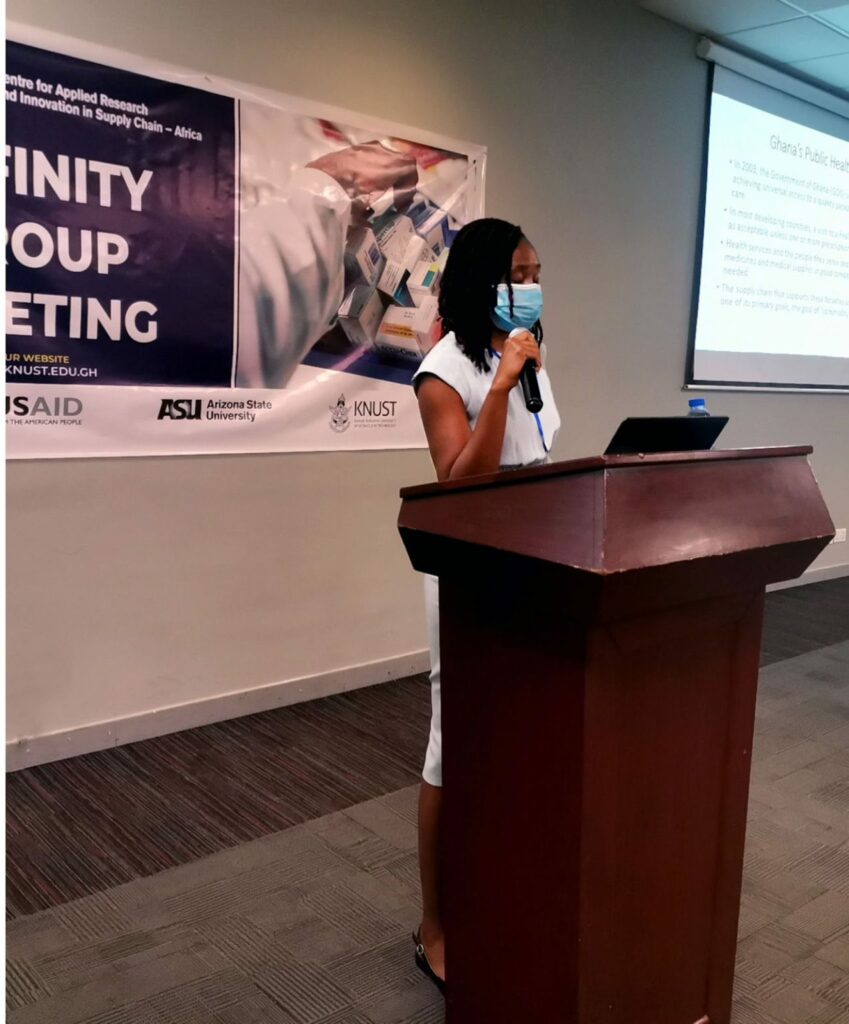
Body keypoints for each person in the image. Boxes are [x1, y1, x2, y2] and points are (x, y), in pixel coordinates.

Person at [410, 217, 561, 992]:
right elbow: (457, 483)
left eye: (535, 273)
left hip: (535, 565)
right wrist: (498, 387)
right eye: (517, 274)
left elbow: (541, 458)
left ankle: (500, 889)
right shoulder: (444, 370)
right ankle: (434, 928)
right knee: (452, 748)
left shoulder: (527, 354)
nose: (530, 287)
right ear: (480, 280)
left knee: (519, 734)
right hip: (469, 575)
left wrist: (516, 373)